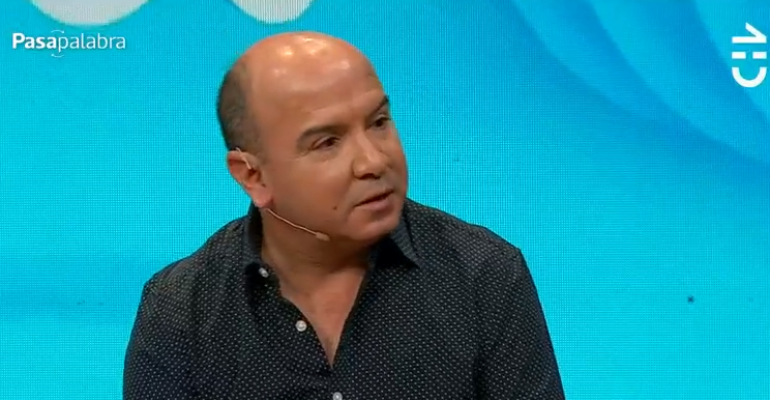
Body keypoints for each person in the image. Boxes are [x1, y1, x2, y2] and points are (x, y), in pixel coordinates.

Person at [123, 31, 565, 400]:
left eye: (379, 122)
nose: (374, 161)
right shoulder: (180, 311)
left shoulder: (483, 275)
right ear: (253, 176)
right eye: (327, 143)